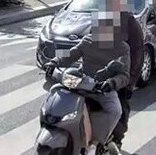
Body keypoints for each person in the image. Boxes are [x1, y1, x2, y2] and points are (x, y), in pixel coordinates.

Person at [44, 14, 129, 154]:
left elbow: (124, 75)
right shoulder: (87, 41)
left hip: (102, 87)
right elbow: (70, 54)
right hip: (81, 81)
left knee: (115, 110)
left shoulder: (122, 48)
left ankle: (93, 142)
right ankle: (52, 126)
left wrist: (112, 82)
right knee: (54, 91)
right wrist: (55, 61)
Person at [105, 0, 144, 151]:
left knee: (121, 108)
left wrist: (130, 82)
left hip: (123, 76)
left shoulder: (131, 24)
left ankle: (116, 142)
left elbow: (137, 54)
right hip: (104, 72)